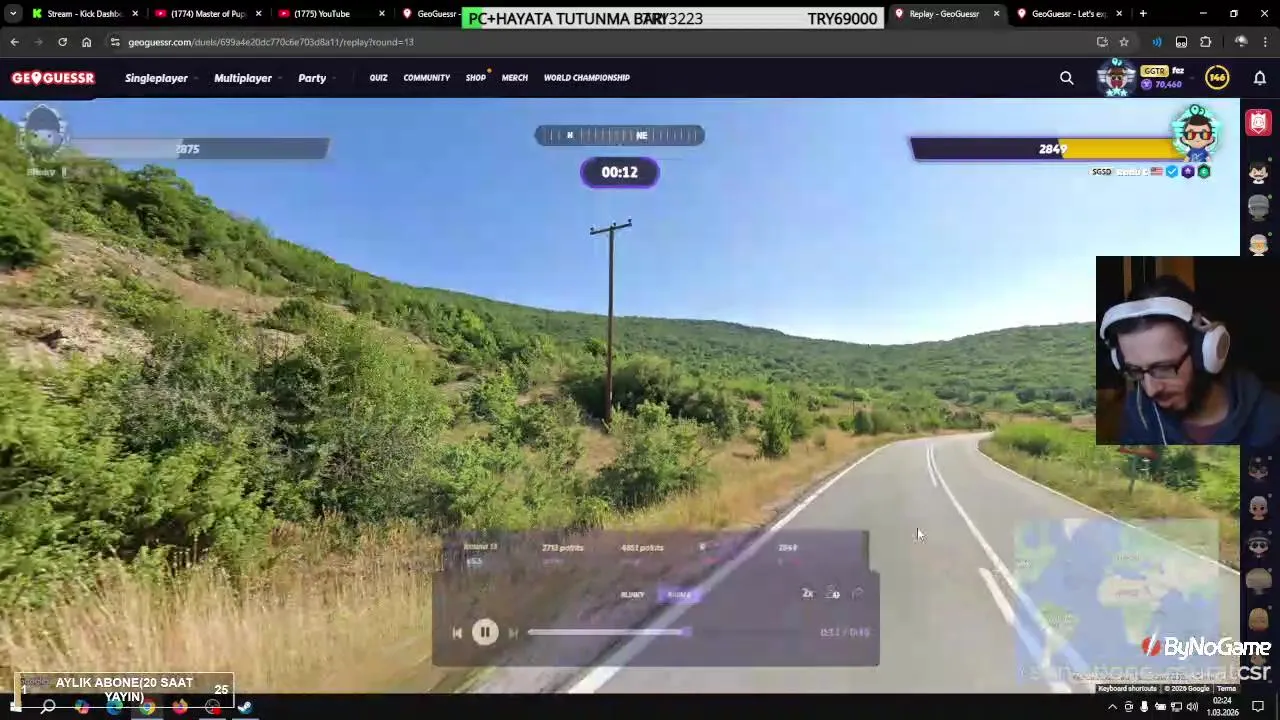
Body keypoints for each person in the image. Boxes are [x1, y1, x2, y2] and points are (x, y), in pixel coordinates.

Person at [1098, 275, 1280, 445]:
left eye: (1164, 368)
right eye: (1135, 370)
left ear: (1204, 352)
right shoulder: (1139, 413)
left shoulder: (1270, 419)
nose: (1151, 390)